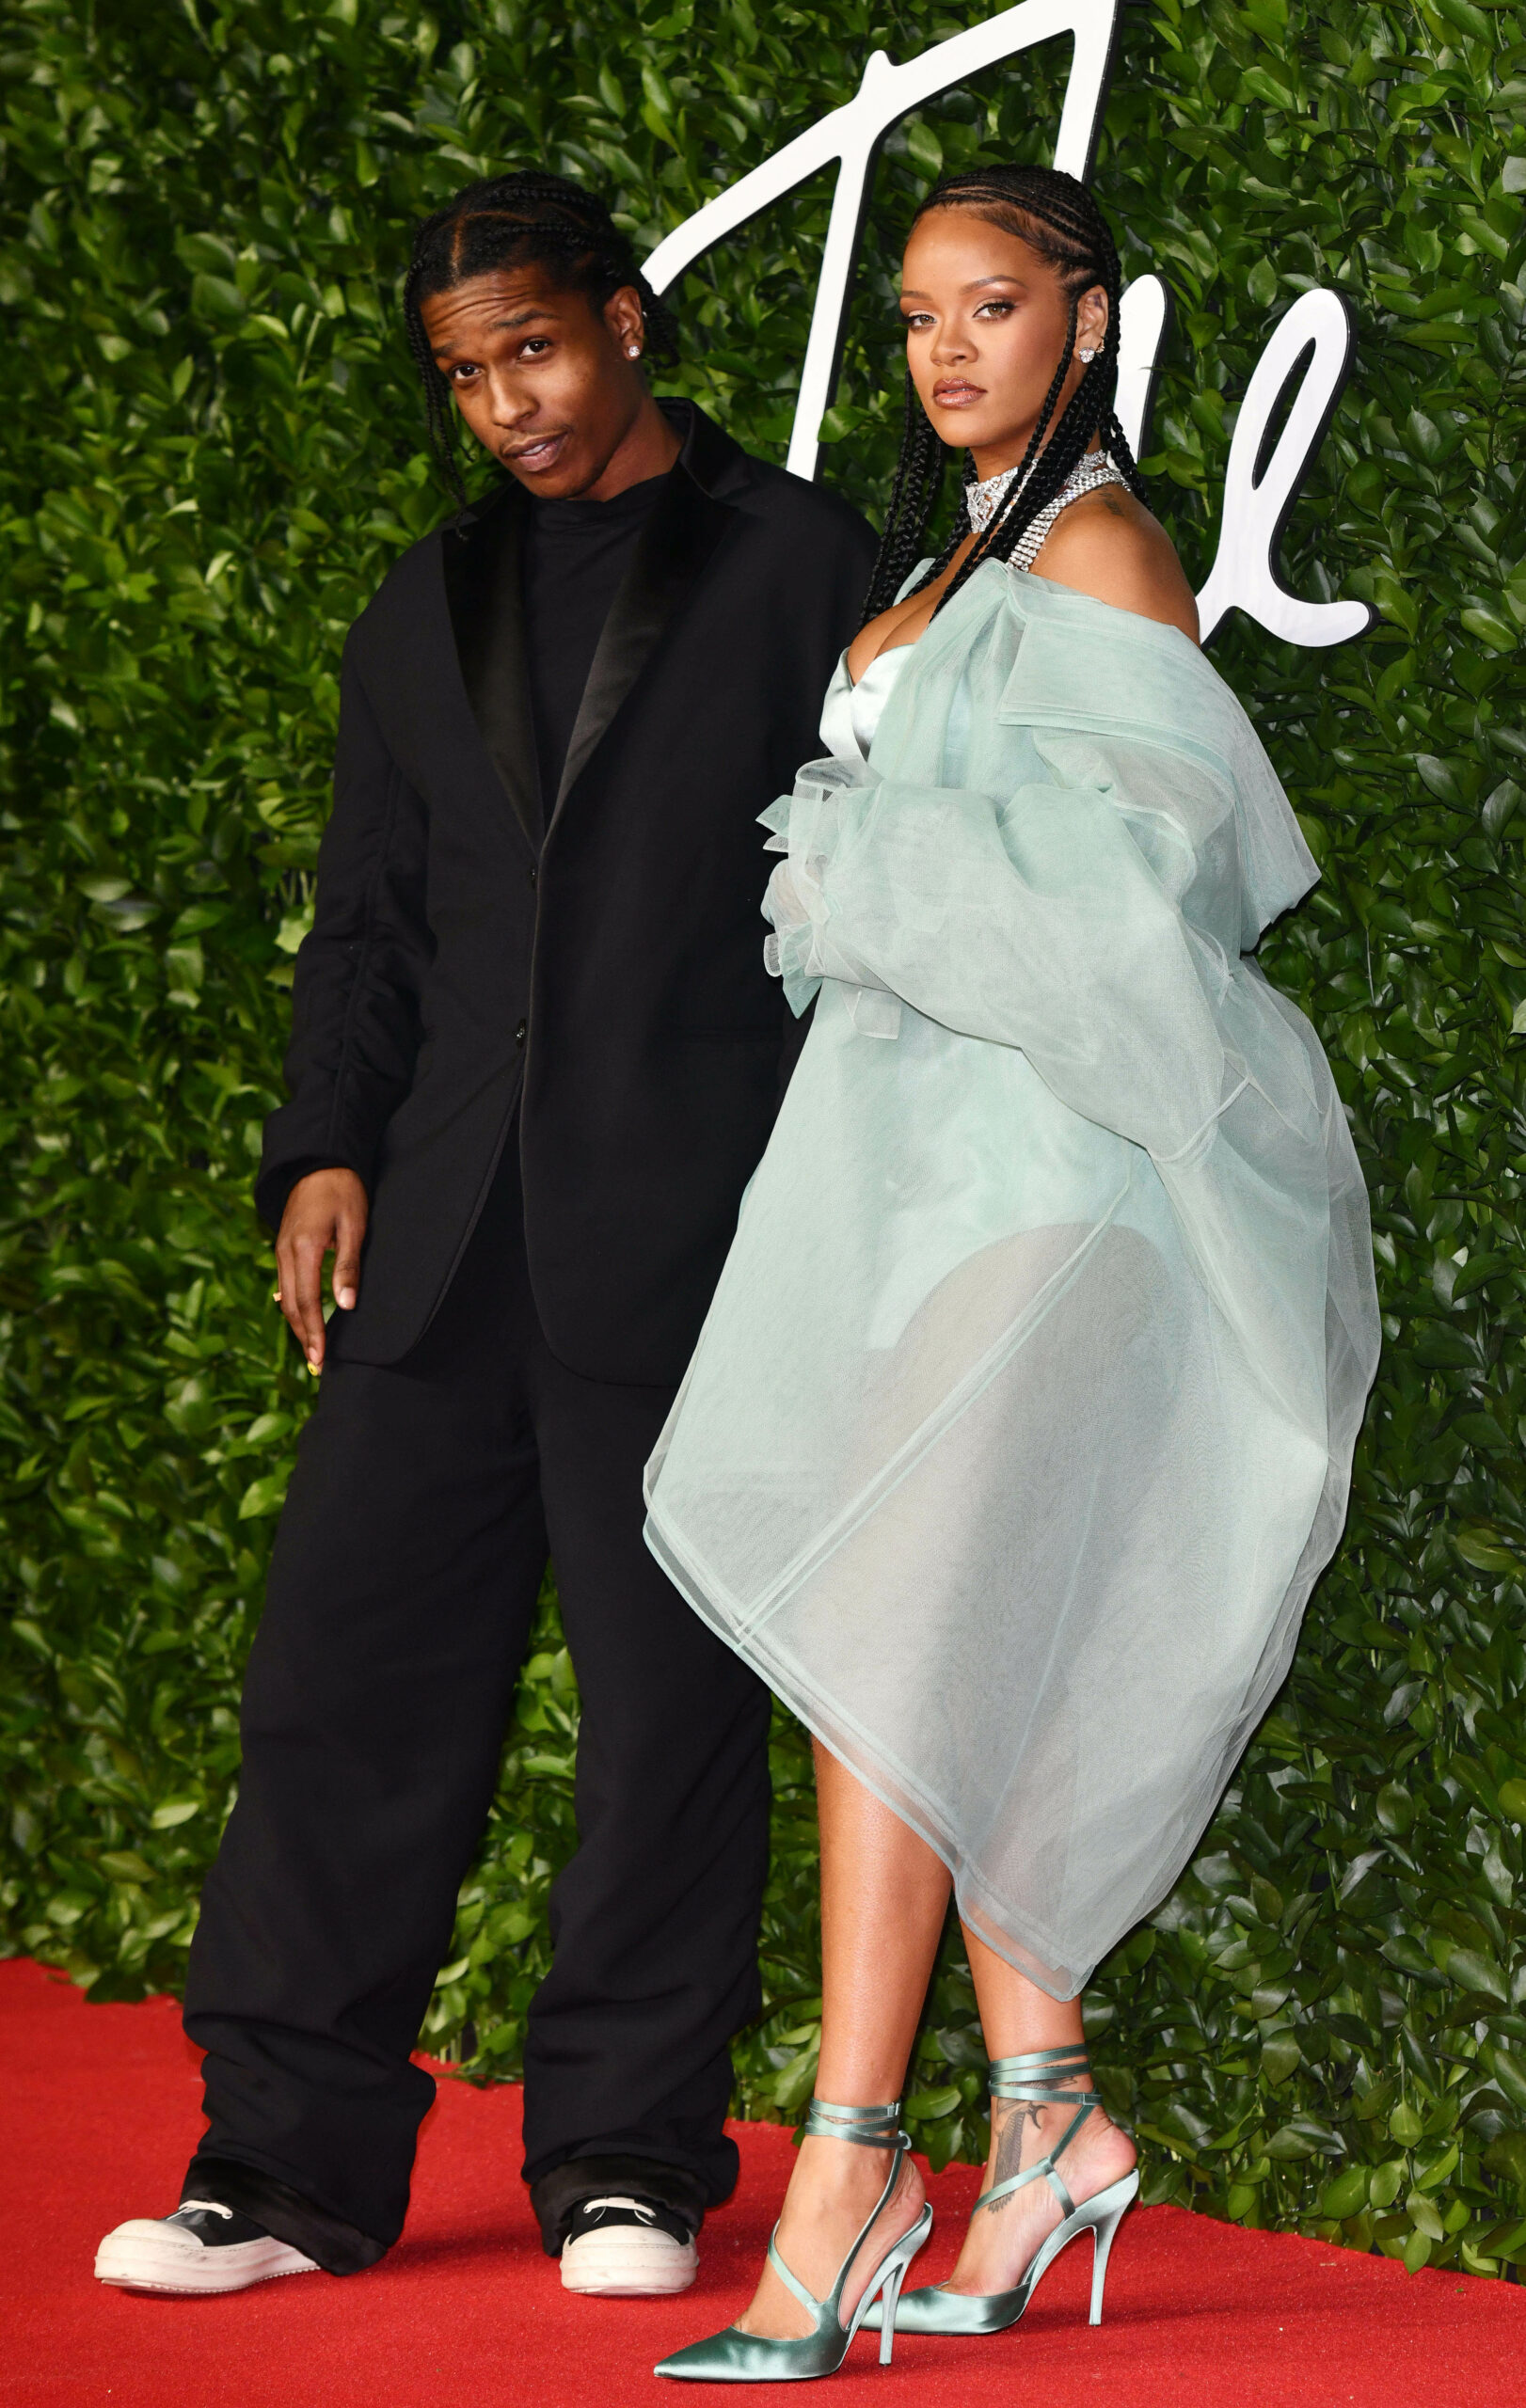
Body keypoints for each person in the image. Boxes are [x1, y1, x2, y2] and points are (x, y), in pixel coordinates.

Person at [94, 171, 877, 2305]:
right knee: (339, 1687)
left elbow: (886, 905)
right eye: (463, 374)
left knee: (664, 1716)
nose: (506, 403)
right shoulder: (417, 600)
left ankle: (625, 2158)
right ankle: (282, 2168)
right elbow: (370, 918)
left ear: (630, 318)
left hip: (691, 1234)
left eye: (534, 347)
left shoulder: (805, 563)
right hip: (435, 1233)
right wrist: (317, 1148)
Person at [644, 165, 1379, 2381]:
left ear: (1085, 318)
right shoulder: (964, 556)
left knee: (886, 1636)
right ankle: (1041, 2113)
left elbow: (1128, 913)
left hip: (1048, 1174)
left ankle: (852, 2159)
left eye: (991, 305)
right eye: (914, 317)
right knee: (930, 1644)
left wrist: (852, 851)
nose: (946, 348)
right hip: (916, 1165)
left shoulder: (1100, 553)